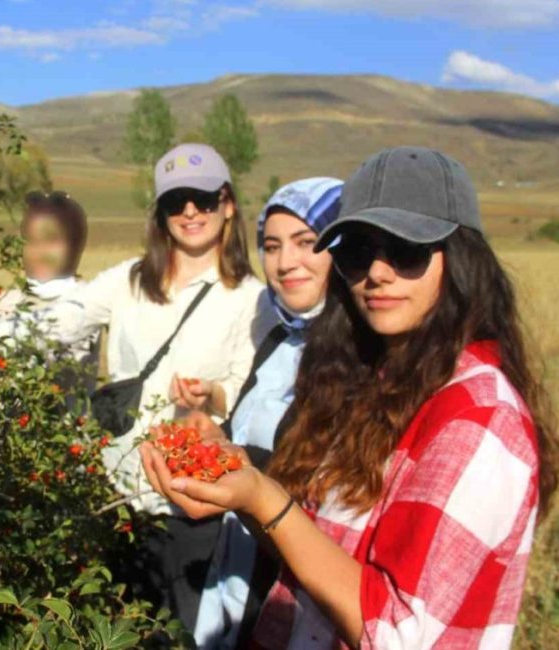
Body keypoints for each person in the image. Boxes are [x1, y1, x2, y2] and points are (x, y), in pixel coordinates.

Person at [141, 147, 559, 648]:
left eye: (406, 249)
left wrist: (265, 498)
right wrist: (242, 486)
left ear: (462, 259)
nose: (377, 272)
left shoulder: (477, 417)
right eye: (357, 252)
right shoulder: (377, 382)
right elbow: (319, 559)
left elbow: (397, 635)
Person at [22, 143, 271, 631]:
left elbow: (250, 390)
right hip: (115, 492)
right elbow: (62, 325)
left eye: (203, 198)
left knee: (178, 634)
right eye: (176, 201)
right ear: (161, 212)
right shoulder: (130, 280)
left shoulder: (251, 300)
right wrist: (7, 320)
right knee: (108, 629)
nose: (191, 212)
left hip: (191, 504)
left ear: (228, 203)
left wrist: (212, 395)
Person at [192, 177, 344, 649]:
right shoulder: (278, 339)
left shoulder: (357, 359)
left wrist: (238, 466)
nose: (285, 263)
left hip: (296, 585)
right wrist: (209, 439)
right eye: (273, 246)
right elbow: (248, 435)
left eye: (308, 243)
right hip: (239, 557)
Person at [0, 191, 99, 398]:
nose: (40, 252)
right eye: (32, 241)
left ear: (76, 245)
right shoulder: (4, 301)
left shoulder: (87, 300)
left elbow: (54, 347)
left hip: (62, 428)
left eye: (52, 242)